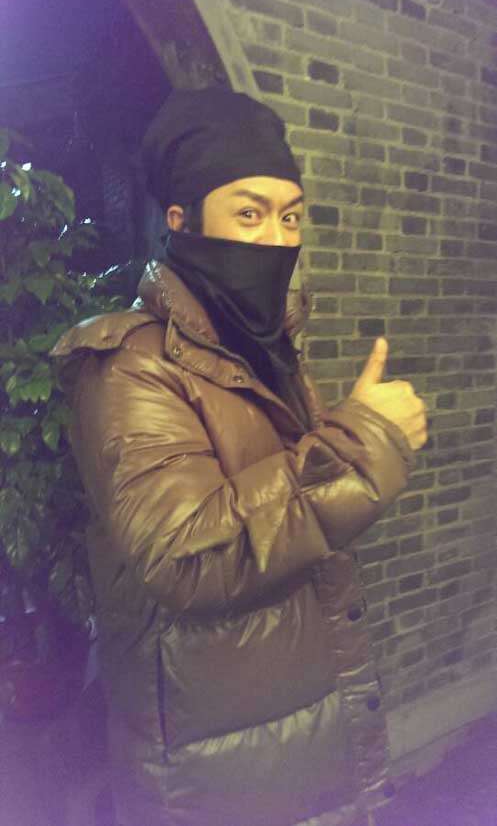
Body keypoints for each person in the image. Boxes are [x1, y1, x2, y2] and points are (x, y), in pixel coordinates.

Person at [51, 89, 427, 826]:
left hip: (300, 717)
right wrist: (365, 442)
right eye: (249, 214)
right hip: (212, 764)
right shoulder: (129, 366)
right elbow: (186, 555)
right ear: (181, 221)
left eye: (290, 217)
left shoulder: (267, 347)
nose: (276, 240)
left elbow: (292, 512)